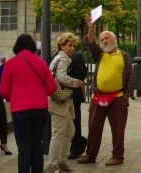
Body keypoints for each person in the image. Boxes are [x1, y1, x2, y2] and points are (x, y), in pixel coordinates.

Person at [77, 15, 134, 166]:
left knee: (118, 129)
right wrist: (91, 28)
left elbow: (130, 77)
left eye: (106, 38)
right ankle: (91, 155)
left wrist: (126, 97)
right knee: (93, 128)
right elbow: (89, 43)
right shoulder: (99, 54)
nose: (104, 41)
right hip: (98, 97)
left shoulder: (124, 56)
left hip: (117, 98)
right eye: (101, 39)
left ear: (114, 40)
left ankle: (118, 156)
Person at [0, 33, 57, 173]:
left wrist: (12, 98)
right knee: (37, 145)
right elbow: (52, 88)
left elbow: (3, 90)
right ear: (32, 46)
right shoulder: (41, 62)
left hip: (20, 110)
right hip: (40, 108)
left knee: (24, 147)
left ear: (17, 47)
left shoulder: (11, 63)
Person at [45, 33, 83, 172]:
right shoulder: (63, 59)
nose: (72, 48)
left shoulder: (59, 58)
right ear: (62, 46)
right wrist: (75, 82)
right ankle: (52, 165)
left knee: (69, 131)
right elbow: (61, 77)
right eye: (69, 45)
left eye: (73, 45)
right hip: (59, 102)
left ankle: (60, 161)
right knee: (59, 134)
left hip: (60, 101)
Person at [67, 52, 87, 159]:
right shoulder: (57, 56)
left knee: (75, 122)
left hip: (75, 94)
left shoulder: (76, 56)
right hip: (63, 96)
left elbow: (83, 73)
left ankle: (75, 147)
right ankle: (79, 142)